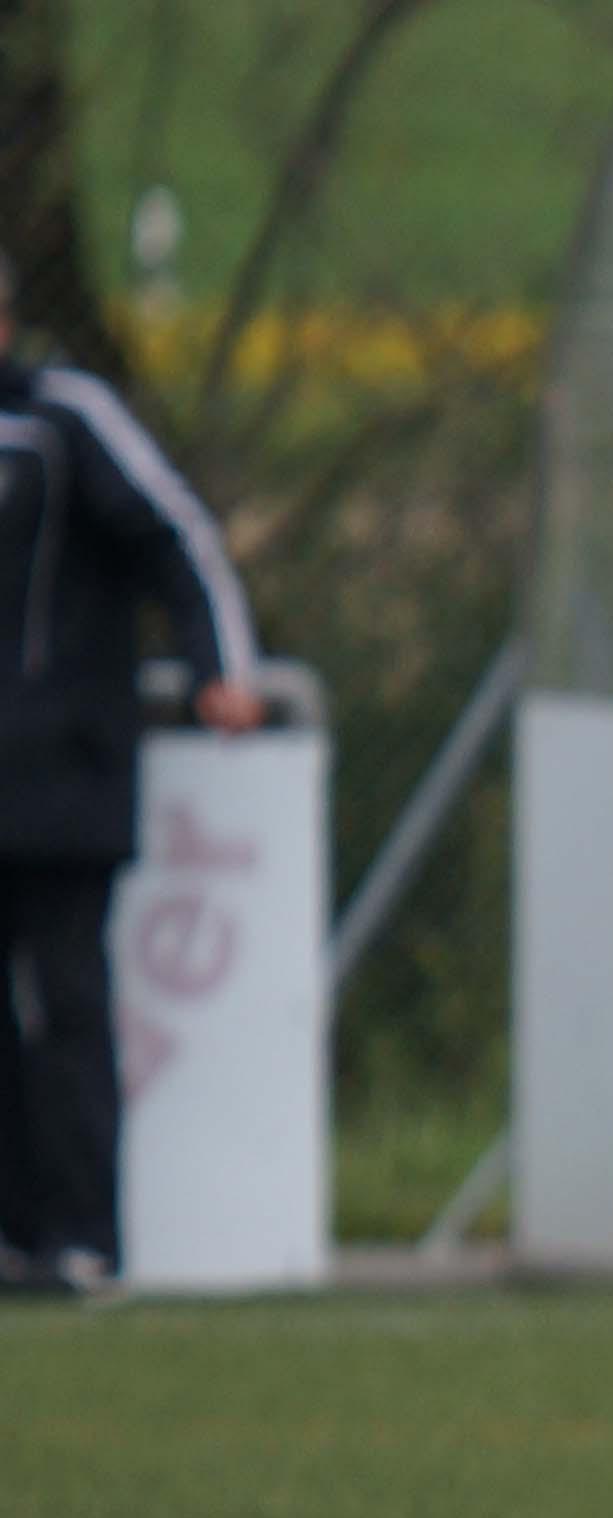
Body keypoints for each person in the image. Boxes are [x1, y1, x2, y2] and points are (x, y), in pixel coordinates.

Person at [0, 257, 267, 1296]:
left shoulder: (69, 418)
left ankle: (82, 1237)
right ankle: (14, 1230)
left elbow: (178, 538)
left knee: (68, 1003)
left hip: (64, 778)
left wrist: (222, 671)